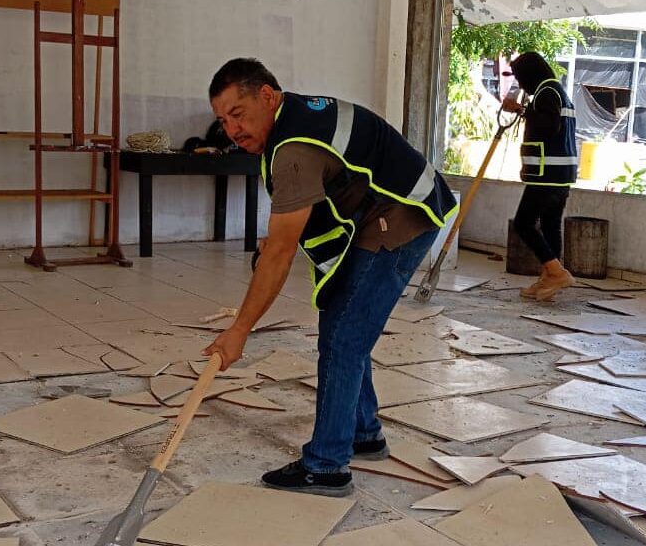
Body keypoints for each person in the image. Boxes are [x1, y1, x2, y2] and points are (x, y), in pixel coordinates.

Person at [202, 57, 458, 497]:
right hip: (383, 205)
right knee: (344, 324)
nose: (232, 130)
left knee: (343, 337)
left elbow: (281, 253)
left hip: (403, 214)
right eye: (223, 121)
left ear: (267, 95)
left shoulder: (293, 151)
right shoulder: (289, 121)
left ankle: (326, 466)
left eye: (238, 114)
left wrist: (240, 329)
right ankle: (364, 433)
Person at [504, 51, 578, 301]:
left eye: (520, 78)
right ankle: (549, 278)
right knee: (549, 225)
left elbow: (548, 124)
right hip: (560, 173)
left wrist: (520, 109)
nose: (520, 84)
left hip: (547, 173)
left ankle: (556, 272)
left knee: (524, 223)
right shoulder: (558, 91)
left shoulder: (547, 92)